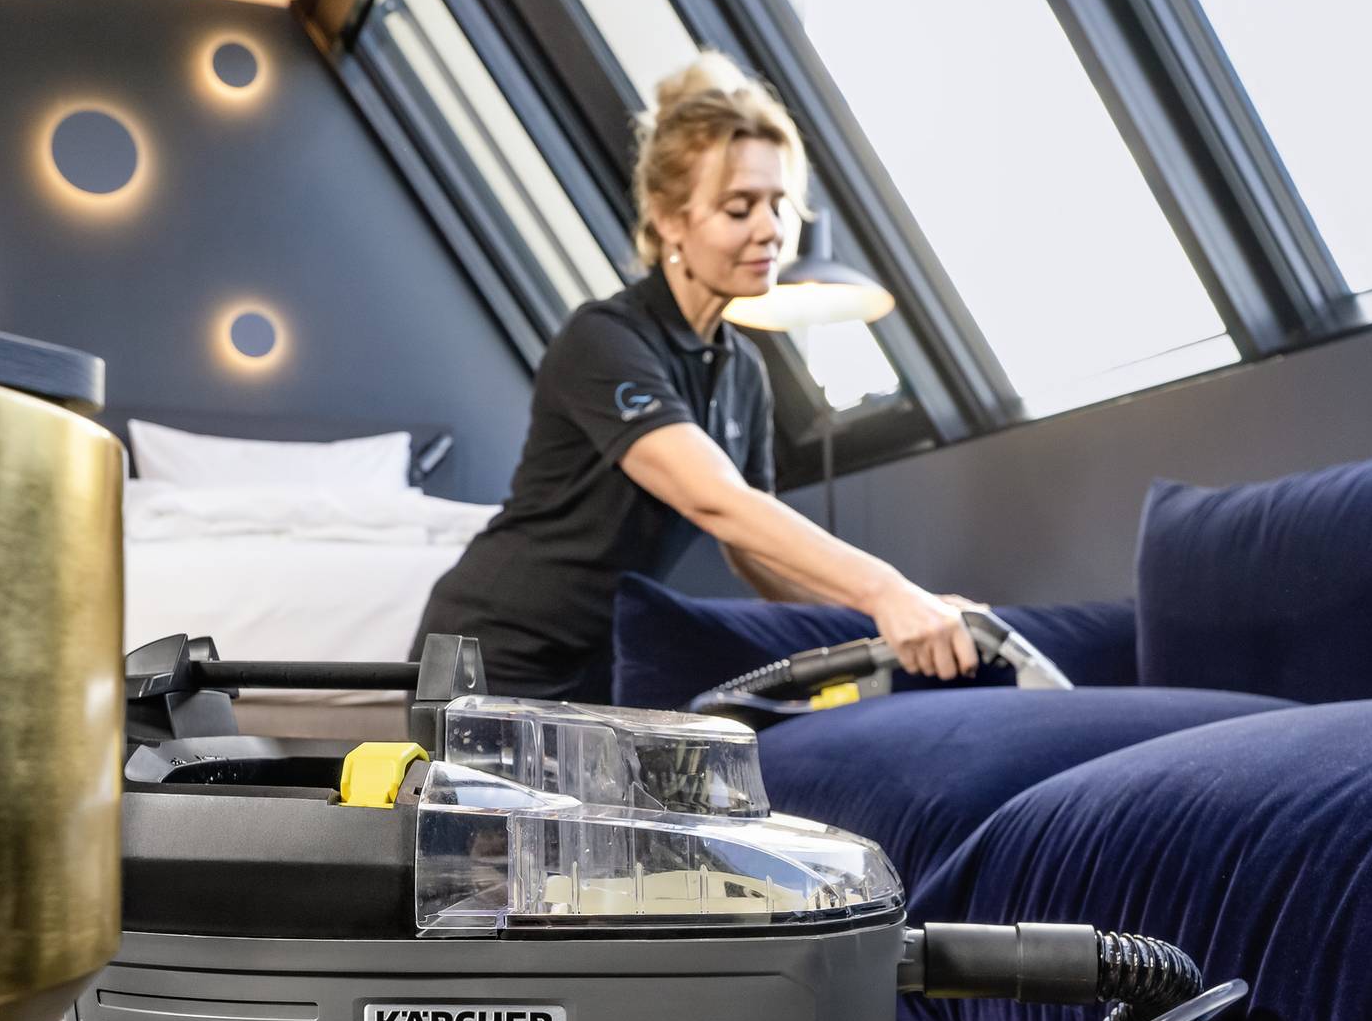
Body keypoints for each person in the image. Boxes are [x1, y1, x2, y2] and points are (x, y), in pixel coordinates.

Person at [417, 52, 981, 701]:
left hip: (601, 663)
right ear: (669, 218)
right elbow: (714, 498)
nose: (771, 229)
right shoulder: (606, 338)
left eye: (780, 204)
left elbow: (754, 550)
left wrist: (889, 623)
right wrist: (885, 589)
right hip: (492, 653)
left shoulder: (741, 369)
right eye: (740, 207)